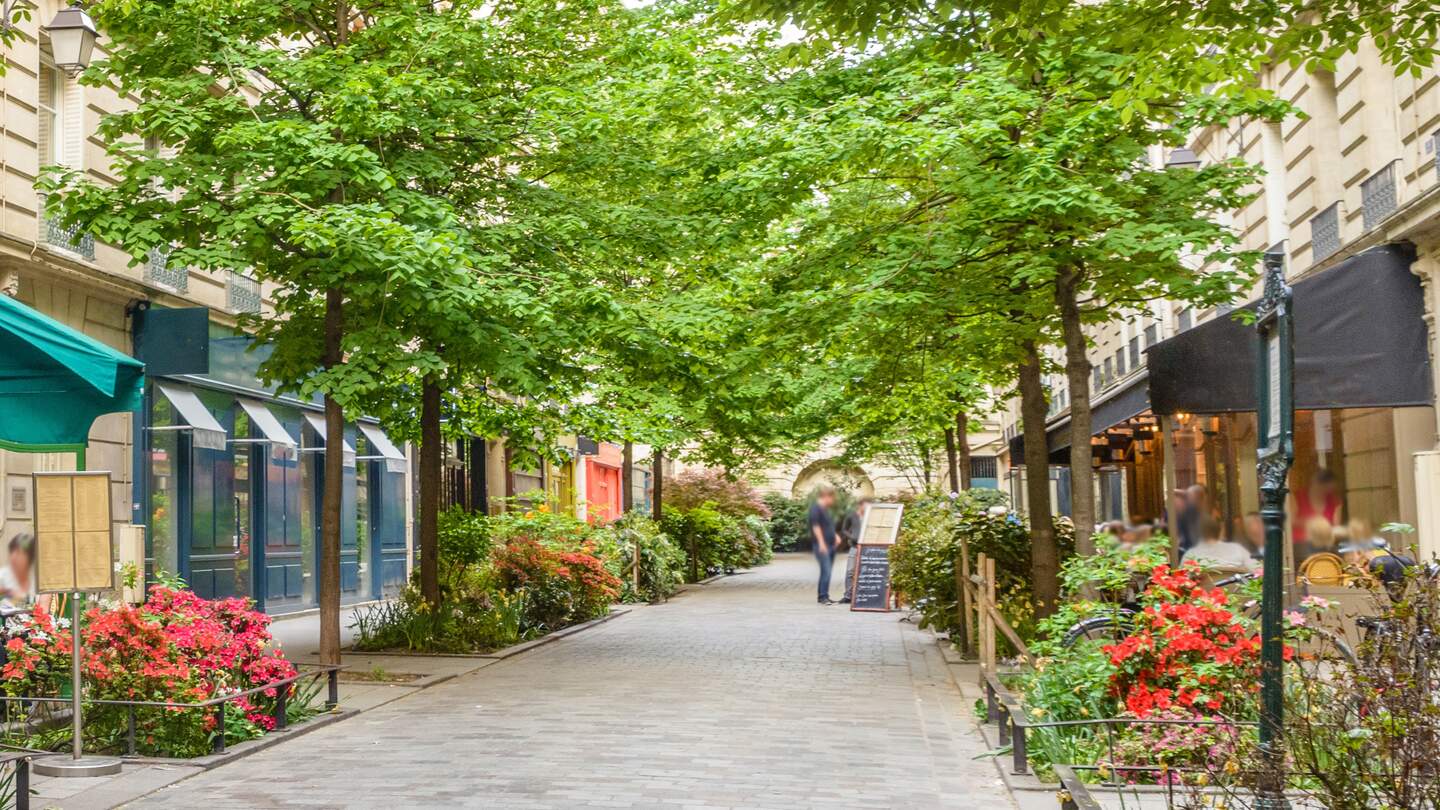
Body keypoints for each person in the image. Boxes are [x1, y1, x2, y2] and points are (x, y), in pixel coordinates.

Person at [1181, 517, 1254, 571]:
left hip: (1204, 591)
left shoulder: (1191, 554)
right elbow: (1257, 569)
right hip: (1235, 591)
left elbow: (1182, 578)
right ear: (1220, 532)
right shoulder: (1237, 549)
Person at [1293, 469, 1343, 548]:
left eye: (1329, 490)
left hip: (1324, 545)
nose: (1325, 493)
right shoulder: (1297, 497)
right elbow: (1290, 521)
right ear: (1314, 483)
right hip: (1300, 545)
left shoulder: (1334, 500)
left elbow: (1335, 528)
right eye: (1322, 489)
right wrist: (1312, 523)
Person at [808, 487, 839, 605]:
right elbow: (816, 526)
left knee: (826, 571)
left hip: (830, 545)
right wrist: (821, 543)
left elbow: (827, 526)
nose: (833, 501)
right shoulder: (815, 509)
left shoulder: (824, 510)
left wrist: (836, 536)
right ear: (826, 497)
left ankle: (824, 595)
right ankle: (822, 598)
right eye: (832, 498)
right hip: (822, 546)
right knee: (827, 571)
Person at [837, 499, 870, 604]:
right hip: (854, 547)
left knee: (867, 571)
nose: (867, 508)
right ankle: (848, 596)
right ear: (860, 506)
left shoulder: (870, 516)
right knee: (850, 571)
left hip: (868, 547)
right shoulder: (852, 515)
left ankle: (865, 595)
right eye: (865, 506)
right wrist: (852, 537)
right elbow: (844, 529)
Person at [0, 533, 35, 609]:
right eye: (12, 552)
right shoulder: (3, 576)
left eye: (19, 553)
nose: (14, 557)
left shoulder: (37, 580)